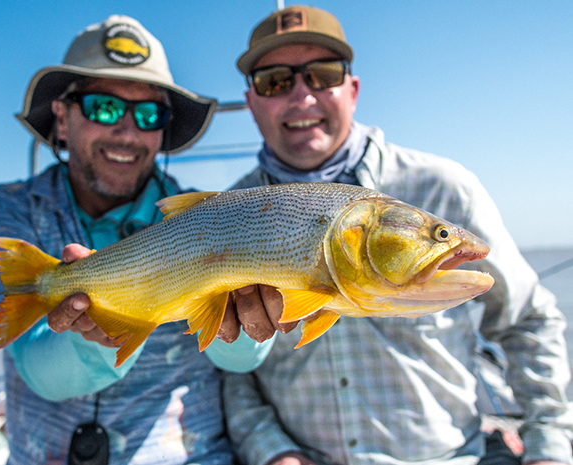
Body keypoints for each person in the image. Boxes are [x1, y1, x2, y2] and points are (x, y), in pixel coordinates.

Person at [222, 5, 573, 465]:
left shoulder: (442, 188)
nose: (303, 96)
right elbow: (227, 368)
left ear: (353, 89)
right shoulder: (222, 215)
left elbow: (527, 319)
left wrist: (547, 448)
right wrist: (271, 451)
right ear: (251, 101)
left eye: (323, 74)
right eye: (275, 81)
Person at [0, 15, 274, 465]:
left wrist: (251, 327)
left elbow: (239, 362)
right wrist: (93, 337)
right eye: (104, 107)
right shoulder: (9, 209)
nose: (128, 132)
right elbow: (39, 369)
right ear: (61, 114)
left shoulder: (206, 216)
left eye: (149, 114)